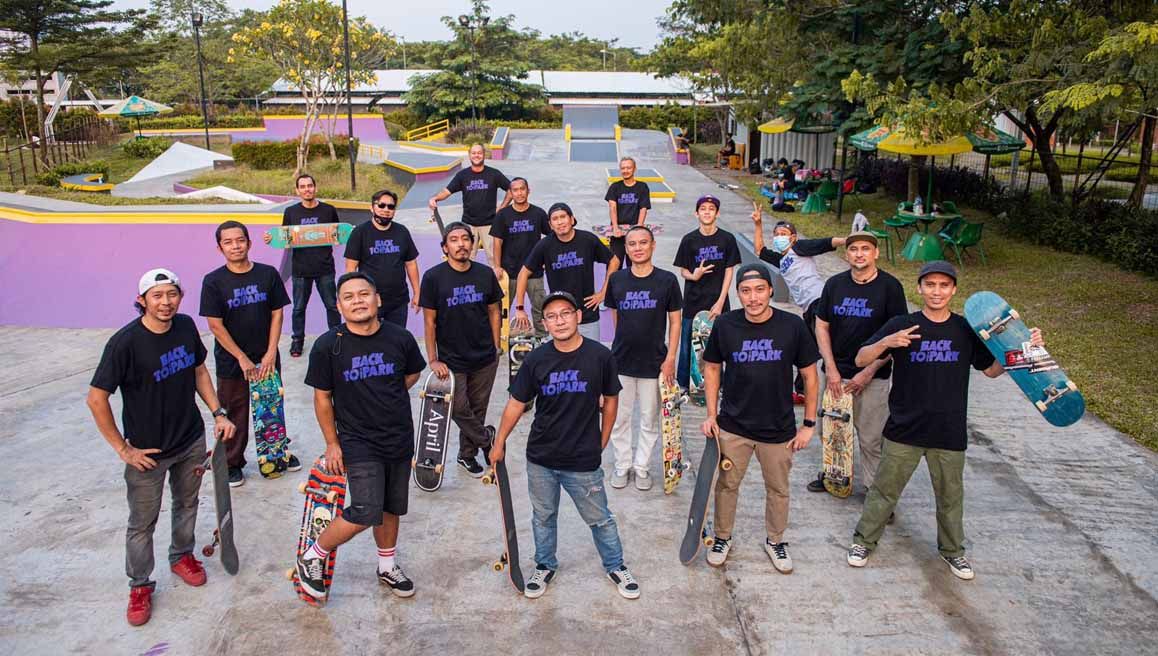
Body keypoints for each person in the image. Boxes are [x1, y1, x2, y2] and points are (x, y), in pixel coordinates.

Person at [846, 261, 1044, 581]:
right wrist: (887, 342)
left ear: (953, 290)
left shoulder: (965, 329)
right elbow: (860, 358)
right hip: (904, 428)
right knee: (883, 491)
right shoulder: (902, 324)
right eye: (930, 285)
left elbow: (991, 370)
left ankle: (953, 552)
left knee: (951, 497)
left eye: (943, 285)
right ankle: (863, 542)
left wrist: (1024, 349)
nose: (936, 291)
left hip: (949, 430)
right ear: (920, 288)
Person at [87, 268, 237, 627]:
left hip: (189, 439)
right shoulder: (124, 343)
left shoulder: (185, 326)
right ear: (142, 301)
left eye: (172, 294)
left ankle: (181, 556)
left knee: (186, 503)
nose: (165, 302)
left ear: (180, 297)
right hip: (147, 453)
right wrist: (124, 450)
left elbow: (200, 371)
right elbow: (96, 399)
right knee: (142, 523)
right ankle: (140, 585)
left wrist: (217, 411)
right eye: (157, 296)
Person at [490, 291, 640, 600]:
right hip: (541, 457)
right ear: (544, 323)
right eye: (552, 316)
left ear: (578, 316)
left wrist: (603, 439)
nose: (559, 321)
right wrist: (499, 442)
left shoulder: (600, 356)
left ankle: (616, 564)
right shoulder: (536, 358)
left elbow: (611, 401)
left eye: (565, 313)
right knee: (543, 517)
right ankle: (545, 564)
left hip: (582, 460)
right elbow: (516, 403)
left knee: (599, 519)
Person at [296, 272, 426, 600]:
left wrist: (386, 397)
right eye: (349, 297)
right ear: (339, 306)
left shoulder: (400, 338)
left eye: (364, 294)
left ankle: (386, 566)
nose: (358, 301)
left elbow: (412, 373)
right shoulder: (329, 346)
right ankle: (313, 555)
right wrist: (331, 443)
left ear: (378, 299)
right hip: (357, 440)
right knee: (366, 509)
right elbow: (322, 397)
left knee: (391, 507)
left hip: (398, 435)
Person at [699, 264, 819, 572]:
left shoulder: (792, 326)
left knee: (778, 489)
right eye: (746, 291)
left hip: (778, 429)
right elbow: (712, 367)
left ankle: (775, 540)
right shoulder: (726, 325)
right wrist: (711, 415)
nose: (753, 298)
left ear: (770, 290)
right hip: (733, 426)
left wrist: (808, 424)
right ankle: (723, 536)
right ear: (738, 294)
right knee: (726, 486)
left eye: (759, 290)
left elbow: (809, 375)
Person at [807, 231, 908, 495]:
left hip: (874, 376)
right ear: (846, 253)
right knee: (830, 431)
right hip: (836, 374)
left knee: (871, 438)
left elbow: (895, 337)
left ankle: (876, 494)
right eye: (853, 249)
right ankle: (834, 476)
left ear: (875, 253)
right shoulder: (835, 285)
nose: (859, 253)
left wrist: (869, 371)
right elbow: (821, 326)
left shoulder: (891, 288)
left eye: (865, 249)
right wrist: (830, 368)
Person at [200, 220, 296, 486]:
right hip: (232, 362)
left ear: (249, 243)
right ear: (220, 248)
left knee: (271, 407)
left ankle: (277, 454)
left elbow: (277, 314)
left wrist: (269, 353)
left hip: (265, 357)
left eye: (240, 240)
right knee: (234, 411)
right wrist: (241, 357)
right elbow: (215, 325)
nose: (235, 246)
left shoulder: (267, 274)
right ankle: (231, 461)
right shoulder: (213, 281)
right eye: (228, 242)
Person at [419, 222, 504, 477]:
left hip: (484, 357)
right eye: (454, 240)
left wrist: (497, 346)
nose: (461, 244)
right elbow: (429, 321)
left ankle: (466, 455)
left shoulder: (484, 274)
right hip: (451, 359)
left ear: (472, 244)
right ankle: (486, 440)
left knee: (478, 409)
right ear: (445, 248)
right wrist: (433, 359)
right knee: (457, 408)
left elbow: (494, 311)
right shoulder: (433, 277)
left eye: (465, 239)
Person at [604, 225, 682, 491]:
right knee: (620, 418)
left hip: (655, 363)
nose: (638, 248)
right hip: (622, 361)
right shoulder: (617, 280)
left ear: (652, 246)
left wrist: (671, 357)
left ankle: (641, 467)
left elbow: (675, 321)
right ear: (626, 249)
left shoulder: (667, 281)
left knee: (649, 420)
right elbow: (614, 317)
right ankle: (622, 465)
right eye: (632, 244)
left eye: (643, 243)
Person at [753, 213, 846, 401]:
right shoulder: (781, 259)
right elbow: (760, 250)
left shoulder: (798, 248)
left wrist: (848, 240)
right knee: (806, 348)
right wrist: (758, 223)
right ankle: (802, 391)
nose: (779, 237)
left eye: (784, 233)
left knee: (826, 346)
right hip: (807, 308)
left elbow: (825, 243)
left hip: (819, 302)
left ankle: (838, 385)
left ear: (793, 237)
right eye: (777, 234)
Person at [513, 202, 619, 342]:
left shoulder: (587, 240)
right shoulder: (545, 245)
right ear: (550, 225)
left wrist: (604, 292)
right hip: (559, 318)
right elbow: (523, 273)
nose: (560, 222)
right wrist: (520, 308)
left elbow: (614, 261)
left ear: (572, 219)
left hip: (588, 314)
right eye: (555, 219)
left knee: (590, 360)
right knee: (560, 361)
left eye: (563, 217)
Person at [263, 173, 341, 357]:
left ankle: (338, 337)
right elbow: (284, 237)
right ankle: (297, 341)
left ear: (315, 187)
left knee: (332, 306)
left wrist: (350, 233)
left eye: (310, 185)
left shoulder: (328, 210)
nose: (307, 189)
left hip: (325, 268)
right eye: (303, 186)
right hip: (300, 269)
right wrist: (271, 238)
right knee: (298, 308)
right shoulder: (291, 212)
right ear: (297, 190)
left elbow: (338, 234)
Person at [672, 195, 741, 392]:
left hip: (718, 302)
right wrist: (693, 276)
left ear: (717, 213)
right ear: (696, 213)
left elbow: (730, 271)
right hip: (693, 302)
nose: (707, 212)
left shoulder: (727, 239)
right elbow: (683, 270)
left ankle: (722, 384)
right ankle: (684, 384)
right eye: (703, 208)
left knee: (722, 344)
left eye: (711, 208)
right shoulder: (689, 240)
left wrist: (720, 302)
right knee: (687, 346)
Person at [344, 189, 420, 328]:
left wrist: (417, 292)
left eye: (391, 206)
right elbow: (350, 268)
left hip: (398, 301)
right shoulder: (360, 233)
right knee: (371, 340)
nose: (386, 209)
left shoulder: (402, 231)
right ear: (372, 207)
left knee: (396, 341)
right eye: (381, 205)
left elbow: (411, 264)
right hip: (369, 300)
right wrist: (354, 296)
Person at [428, 143, 512, 261]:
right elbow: (447, 191)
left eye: (479, 153)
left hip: (490, 224)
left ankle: (496, 280)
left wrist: (503, 207)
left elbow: (511, 189)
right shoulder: (463, 175)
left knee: (495, 259)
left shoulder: (494, 174)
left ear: (484, 155)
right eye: (473, 153)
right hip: (469, 224)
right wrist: (435, 198)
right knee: (465, 258)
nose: (476, 155)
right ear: (469, 155)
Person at [489, 177, 550, 338]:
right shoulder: (503, 215)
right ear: (511, 193)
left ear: (528, 191)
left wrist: (546, 260)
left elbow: (550, 238)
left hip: (533, 272)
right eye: (515, 190)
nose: (519, 193)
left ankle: (542, 338)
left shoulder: (538, 213)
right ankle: (497, 340)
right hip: (509, 272)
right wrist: (497, 266)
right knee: (502, 307)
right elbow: (497, 242)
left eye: (522, 189)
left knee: (540, 307)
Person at [603, 156, 652, 263]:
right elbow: (612, 207)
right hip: (617, 233)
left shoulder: (642, 187)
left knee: (634, 264)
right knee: (615, 264)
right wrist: (615, 227)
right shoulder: (614, 187)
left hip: (634, 232)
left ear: (634, 169)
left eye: (629, 168)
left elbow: (643, 208)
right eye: (623, 168)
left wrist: (639, 226)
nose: (625, 171)